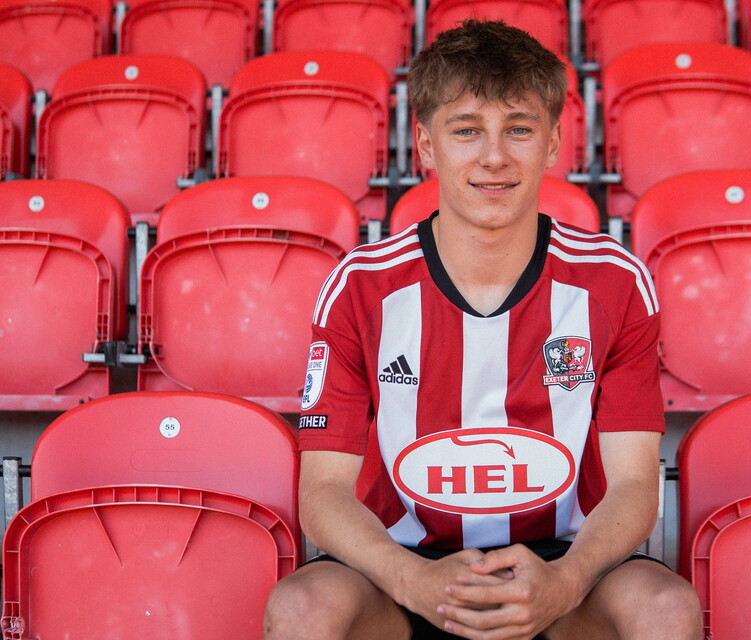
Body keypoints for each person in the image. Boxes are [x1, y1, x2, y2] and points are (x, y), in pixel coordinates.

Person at [263, 19, 703, 640]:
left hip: (565, 567)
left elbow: (634, 484)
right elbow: (323, 492)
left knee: (665, 608)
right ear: (425, 144)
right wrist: (410, 579)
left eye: (518, 129)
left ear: (552, 144)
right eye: (466, 130)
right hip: (403, 573)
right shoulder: (360, 288)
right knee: (300, 609)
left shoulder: (614, 283)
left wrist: (566, 582)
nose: (494, 156)